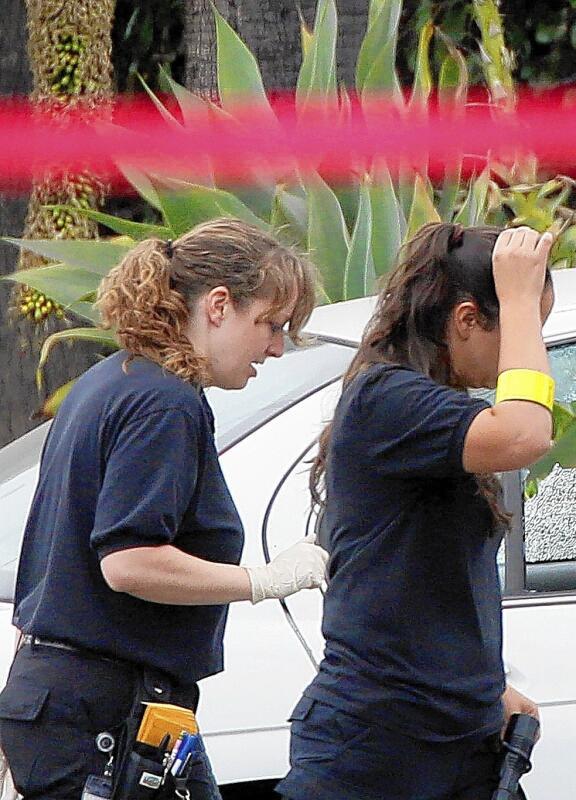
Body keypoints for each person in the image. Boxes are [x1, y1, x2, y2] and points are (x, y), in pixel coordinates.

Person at [0, 218, 330, 800]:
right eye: (270, 325)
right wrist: (263, 580)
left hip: (76, 701)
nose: (277, 347)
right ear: (220, 305)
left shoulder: (113, 381)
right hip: (103, 710)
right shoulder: (164, 402)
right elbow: (128, 562)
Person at [276, 223, 555, 800]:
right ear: (467, 321)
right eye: (526, 330)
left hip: (456, 736)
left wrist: (484, 688)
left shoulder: (432, 411)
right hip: (379, 747)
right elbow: (527, 432)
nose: (533, 347)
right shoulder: (386, 399)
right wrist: (522, 297)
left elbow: (427, 573)